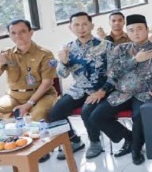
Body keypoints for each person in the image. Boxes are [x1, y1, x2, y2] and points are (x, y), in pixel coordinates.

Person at [88, 14, 152, 165]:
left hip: (147, 93)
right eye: (131, 30)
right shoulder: (120, 50)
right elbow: (112, 73)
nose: (136, 33)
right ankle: (130, 138)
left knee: (138, 117)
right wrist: (135, 60)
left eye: (140, 29)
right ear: (127, 32)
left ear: (147, 30)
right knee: (96, 116)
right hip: (122, 93)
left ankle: (136, 149)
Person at [46, 12, 111, 161]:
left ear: (91, 26)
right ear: (70, 28)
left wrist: (103, 90)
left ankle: (95, 142)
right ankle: (74, 140)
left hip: (100, 89)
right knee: (55, 113)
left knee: (86, 112)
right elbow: (62, 75)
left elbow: (115, 72)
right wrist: (63, 62)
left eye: (84, 24)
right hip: (79, 89)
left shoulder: (106, 46)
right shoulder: (67, 48)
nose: (81, 28)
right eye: (76, 25)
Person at [0, 20, 57, 137]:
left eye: (22, 32)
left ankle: (41, 151)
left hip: (42, 95)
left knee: (38, 115)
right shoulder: (6, 54)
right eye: (13, 33)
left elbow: (47, 83)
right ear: (9, 35)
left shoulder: (44, 54)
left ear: (31, 33)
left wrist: (28, 104)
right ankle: (6, 145)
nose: (18, 36)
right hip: (14, 96)